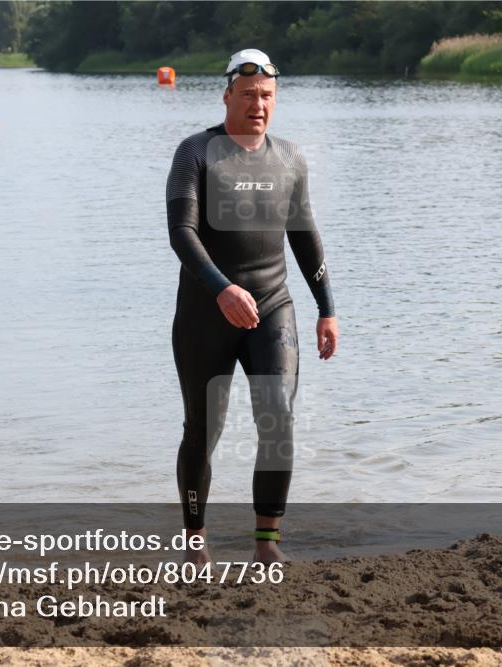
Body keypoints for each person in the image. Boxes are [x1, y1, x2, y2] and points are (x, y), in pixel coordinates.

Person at [166, 48, 339, 565]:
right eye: (247, 95)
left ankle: (267, 545)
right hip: (205, 312)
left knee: (278, 420)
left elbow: (305, 235)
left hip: (273, 307)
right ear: (227, 96)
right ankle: (195, 544)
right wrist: (221, 288)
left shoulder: (288, 158)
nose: (257, 105)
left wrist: (326, 307)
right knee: (203, 430)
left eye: (266, 96)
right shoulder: (195, 153)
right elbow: (182, 234)